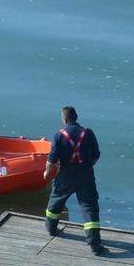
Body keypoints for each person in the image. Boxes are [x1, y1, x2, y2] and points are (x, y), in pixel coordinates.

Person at [43, 106, 106, 256]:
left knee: (56, 201)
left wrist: (47, 173)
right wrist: (86, 167)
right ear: (76, 117)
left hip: (65, 176)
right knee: (89, 208)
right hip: (86, 176)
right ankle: (94, 245)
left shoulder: (59, 135)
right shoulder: (88, 133)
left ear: (64, 120)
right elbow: (96, 155)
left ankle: (51, 229)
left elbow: (52, 160)